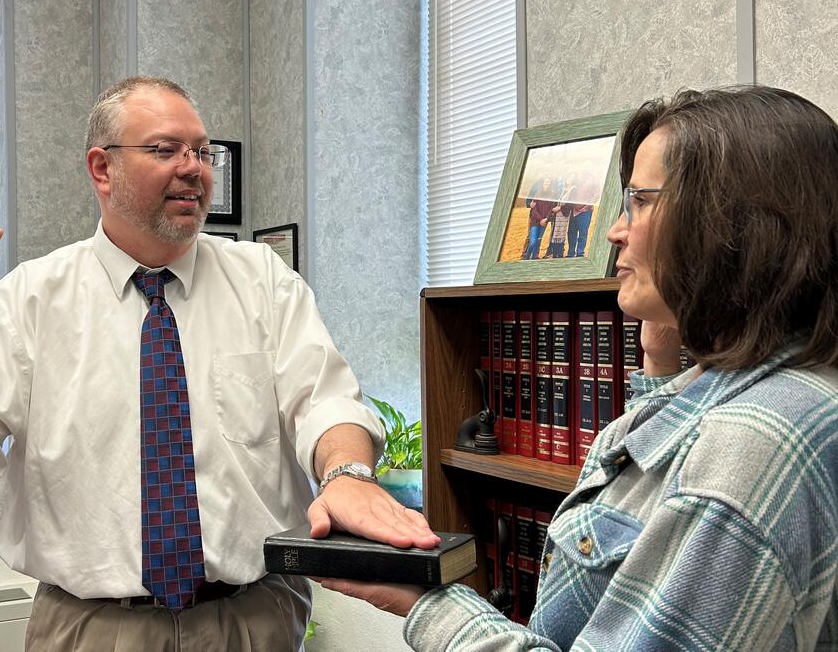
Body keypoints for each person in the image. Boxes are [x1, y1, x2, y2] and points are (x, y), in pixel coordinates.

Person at [0, 75, 437, 651]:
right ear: (102, 169)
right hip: (93, 628)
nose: (193, 167)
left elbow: (324, 401)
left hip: (254, 621)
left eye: (201, 150)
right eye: (165, 149)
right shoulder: (29, 302)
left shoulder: (264, 282)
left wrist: (347, 475)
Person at [324, 85, 838, 650]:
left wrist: (430, 603)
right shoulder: (786, 394)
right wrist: (661, 358)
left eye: (640, 202)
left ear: (733, 225)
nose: (616, 230)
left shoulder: (755, 445)